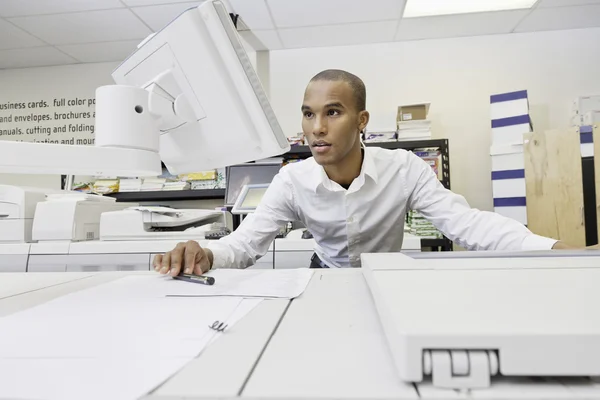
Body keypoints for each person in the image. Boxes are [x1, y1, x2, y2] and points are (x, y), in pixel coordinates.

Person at [153, 69, 582, 276]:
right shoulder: (292, 181)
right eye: (308, 114)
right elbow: (245, 245)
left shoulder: (403, 169)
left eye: (333, 112)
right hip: (326, 276)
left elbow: (466, 224)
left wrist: (549, 249)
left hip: (390, 272)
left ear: (362, 121)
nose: (316, 128)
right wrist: (206, 254)